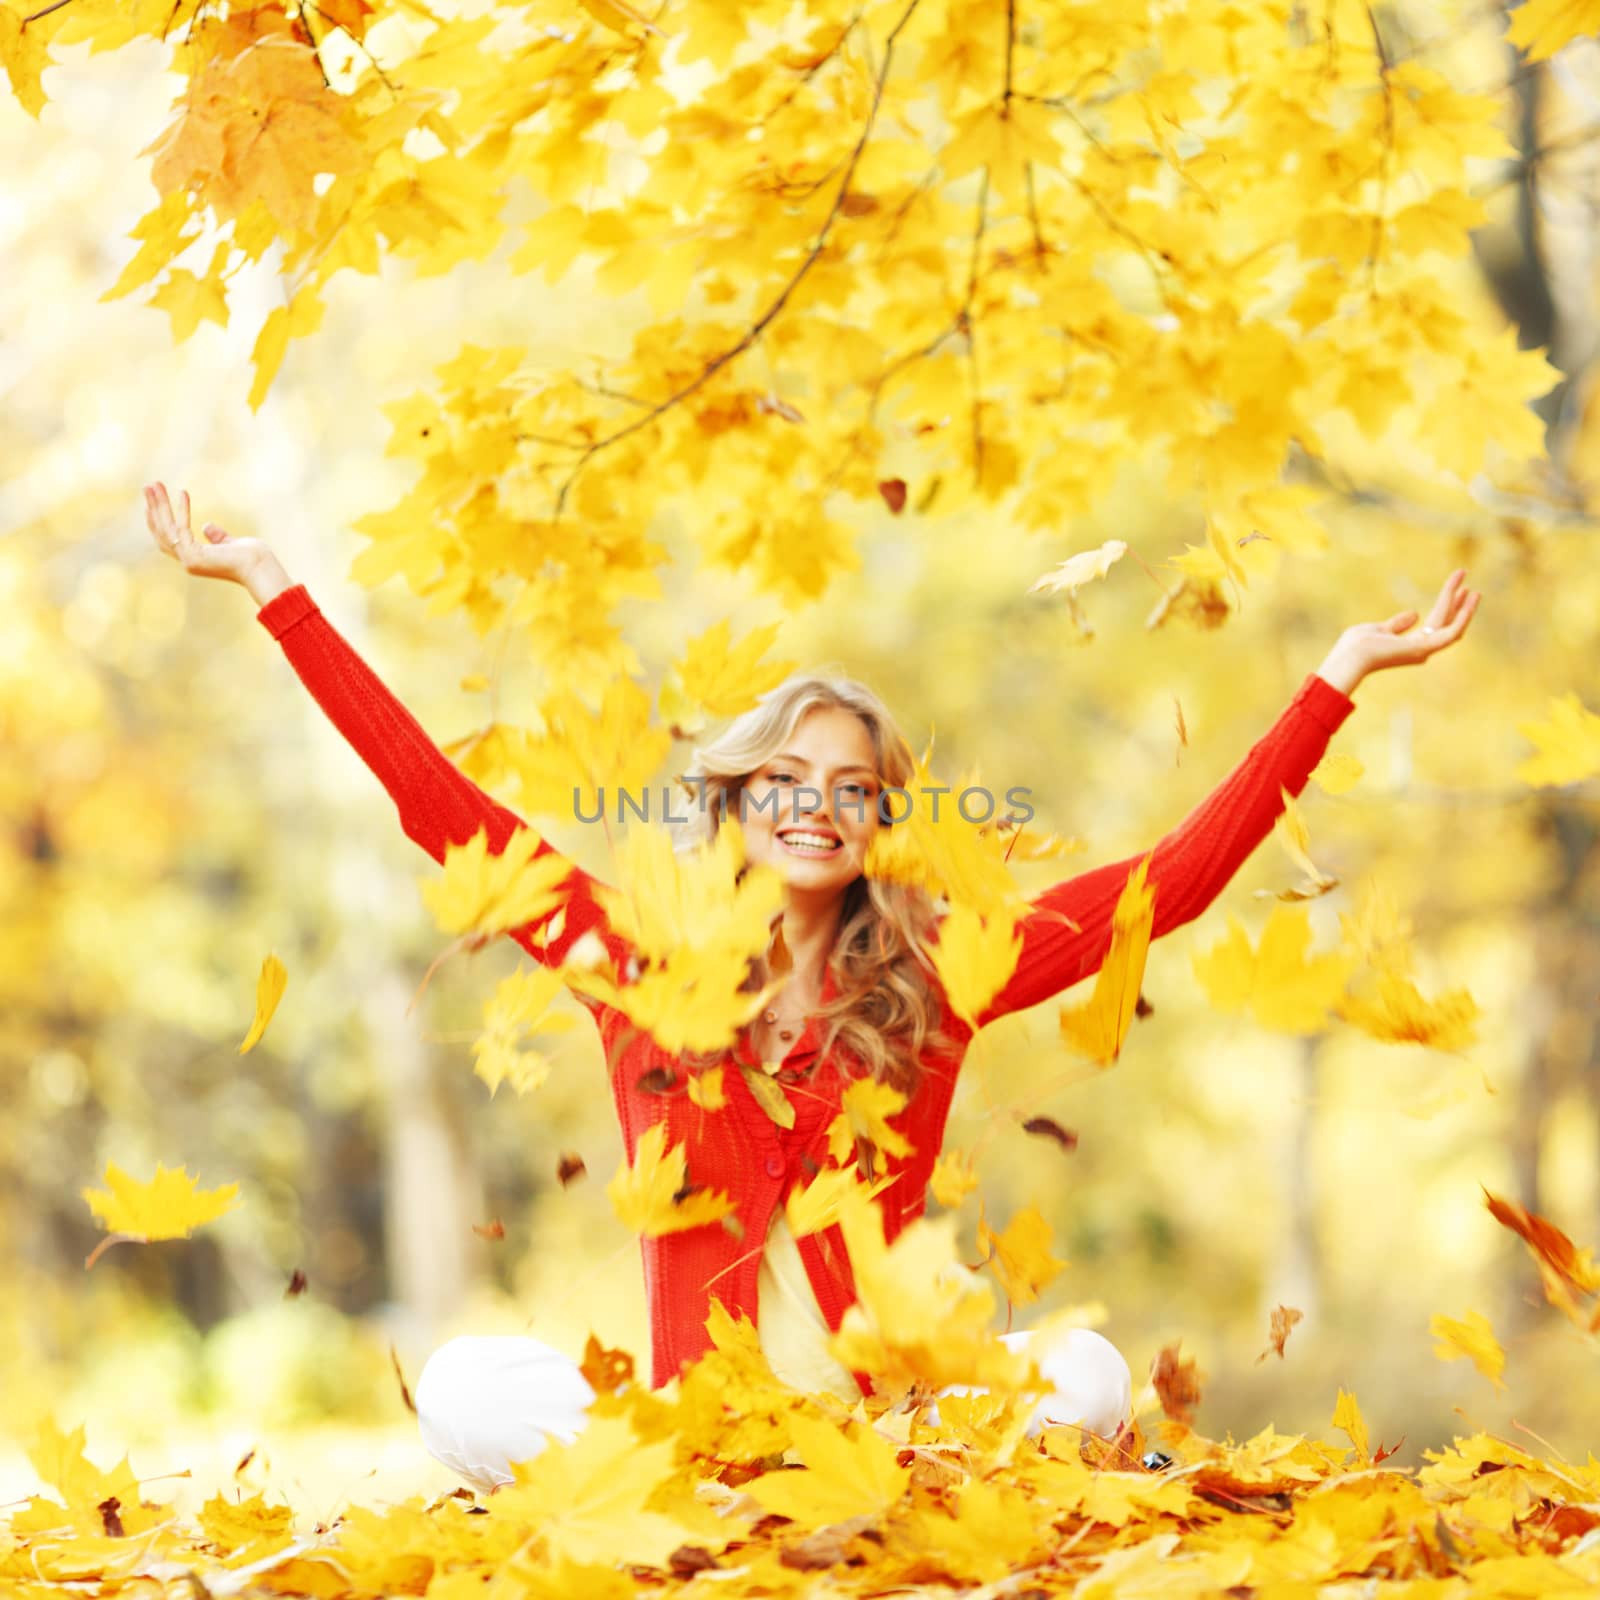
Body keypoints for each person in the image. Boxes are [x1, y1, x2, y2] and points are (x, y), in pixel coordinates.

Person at [142, 481, 1479, 1491]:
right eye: (787, 779)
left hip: (889, 1430)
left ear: (881, 822)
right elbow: (443, 808)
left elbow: (1165, 888)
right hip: (698, 1441)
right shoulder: (640, 964)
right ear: (739, 799)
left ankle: (897, 1505)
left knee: (1085, 1378)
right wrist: (274, 587)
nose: (817, 810)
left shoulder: (936, 978)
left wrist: (1338, 677)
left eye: (854, 791)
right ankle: (718, 1511)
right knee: (461, 1389)